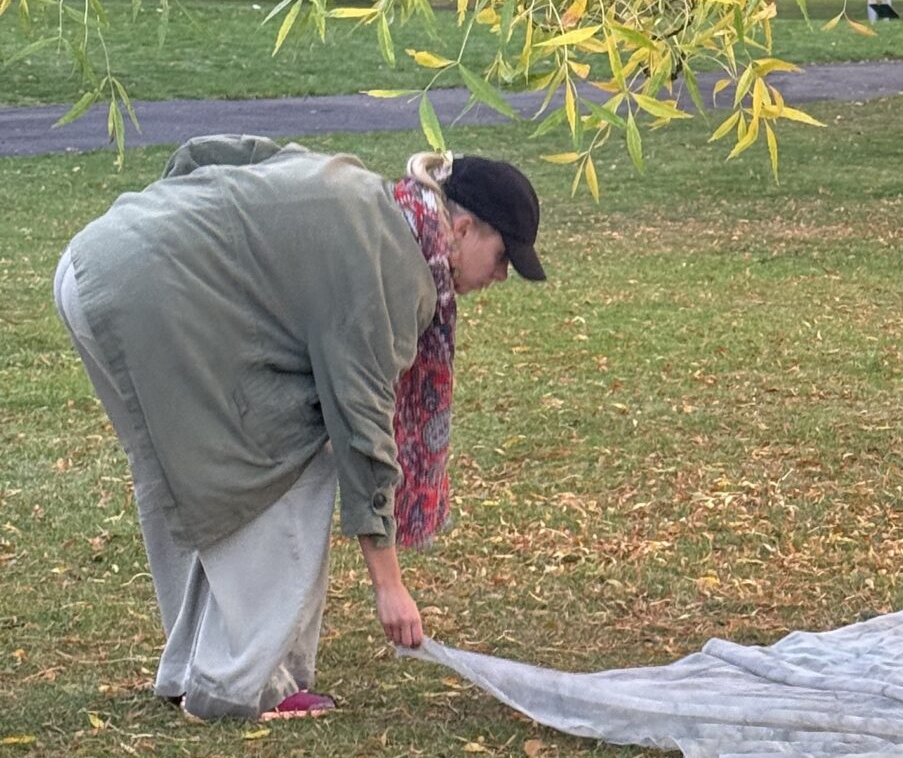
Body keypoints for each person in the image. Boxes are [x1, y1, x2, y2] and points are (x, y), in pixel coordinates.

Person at [52, 138, 544, 722]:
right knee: (292, 459)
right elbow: (360, 426)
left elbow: (214, 153)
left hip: (95, 261)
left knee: (182, 470)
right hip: (143, 297)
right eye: (503, 256)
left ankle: (196, 669)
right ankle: (241, 685)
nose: (502, 276)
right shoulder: (393, 267)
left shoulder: (360, 188)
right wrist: (388, 584)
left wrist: (169, 216)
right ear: (461, 229)